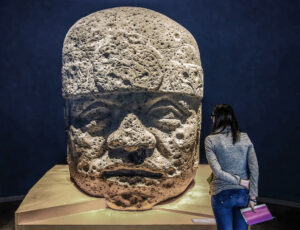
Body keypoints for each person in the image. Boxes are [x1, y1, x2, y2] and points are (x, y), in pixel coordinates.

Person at [205, 104, 259, 230]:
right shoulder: (245, 137)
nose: (212, 118)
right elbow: (254, 169)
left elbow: (217, 171)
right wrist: (253, 198)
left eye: (212, 116)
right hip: (243, 195)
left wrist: (240, 181)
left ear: (217, 118)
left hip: (221, 195)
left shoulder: (211, 140)